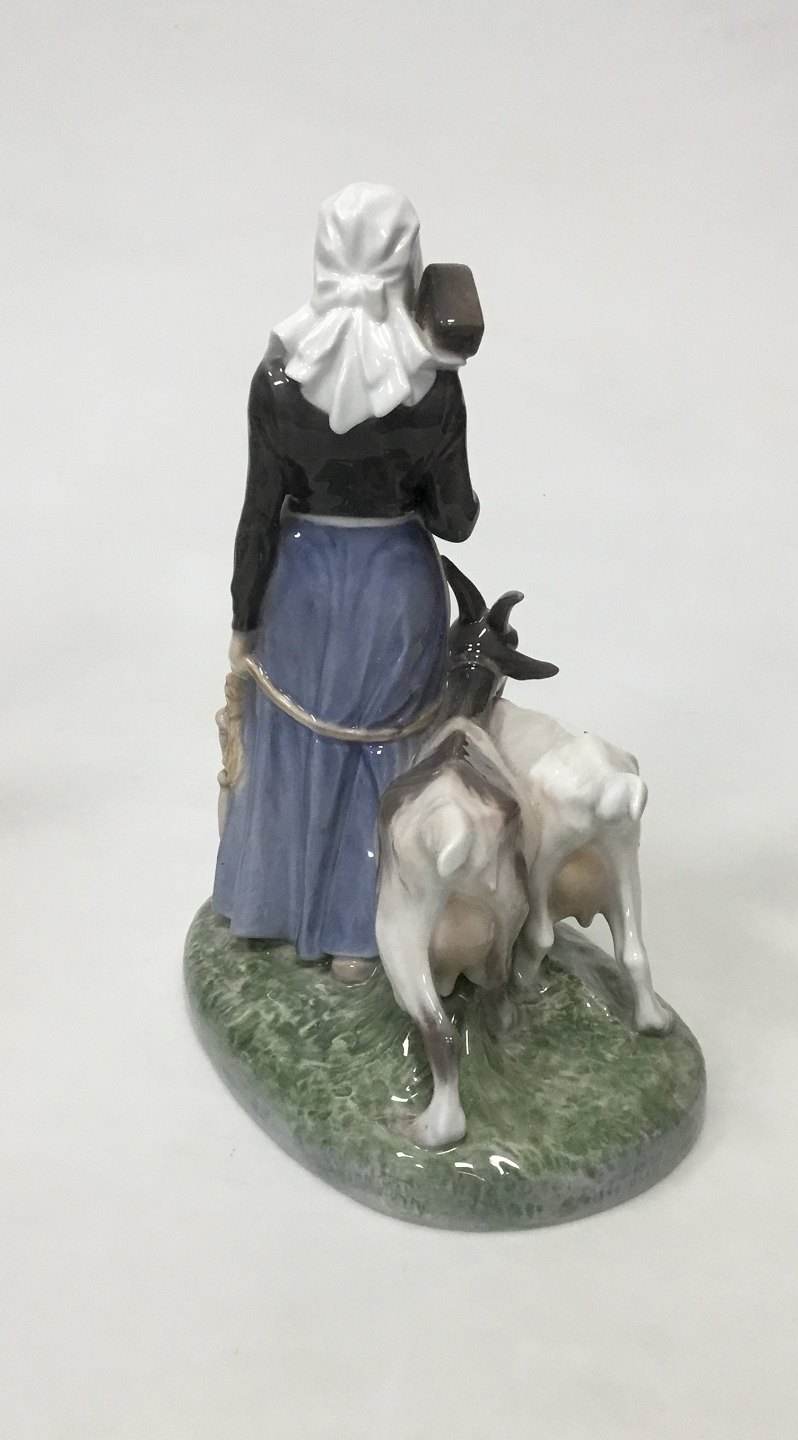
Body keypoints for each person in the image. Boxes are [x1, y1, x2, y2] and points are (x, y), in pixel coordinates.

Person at [212, 182, 479, 978]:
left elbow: (259, 512)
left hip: (302, 579)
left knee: (296, 741)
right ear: (407, 261)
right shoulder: (434, 383)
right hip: (392, 581)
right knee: (383, 750)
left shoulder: (278, 376)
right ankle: (359, 937)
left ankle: (274, 907)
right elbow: (455, 519)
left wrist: (243, 616)